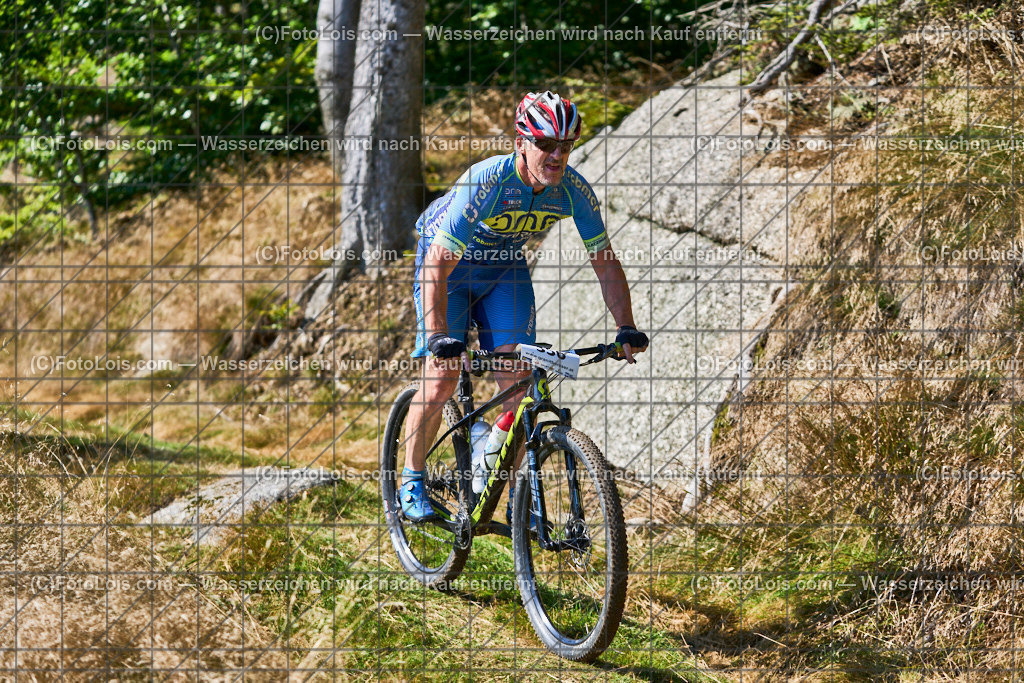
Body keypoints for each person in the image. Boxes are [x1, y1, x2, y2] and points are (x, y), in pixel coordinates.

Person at [400, 91, 649, 521]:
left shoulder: (572, 190)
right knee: (441, 379)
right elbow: (437, 264)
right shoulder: (488, 182)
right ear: (521, 142)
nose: (557, 155)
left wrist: (625, 326)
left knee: (518, 388)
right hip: (448, 270)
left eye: (566, 146)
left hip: (502, 270)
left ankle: (509, 490)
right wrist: (440, 335)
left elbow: (604, 262)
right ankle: (410, 479)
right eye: (546, 144)